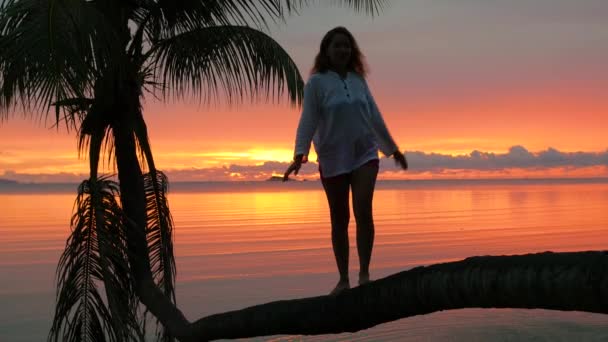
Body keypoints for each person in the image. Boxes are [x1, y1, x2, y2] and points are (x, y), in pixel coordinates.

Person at [283, 26, 408, 295]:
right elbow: (309, 118)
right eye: (337, 45)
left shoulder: (358, 80)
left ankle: (364, 274)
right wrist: (299, 153)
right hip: (332, 156)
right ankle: (343, 279)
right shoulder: (317, 83)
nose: (342, 50)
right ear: (326, 50)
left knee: (363, 210)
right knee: (339, 219)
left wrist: (392, 148)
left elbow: (373, 114)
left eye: (346, 45)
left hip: (364, 152)